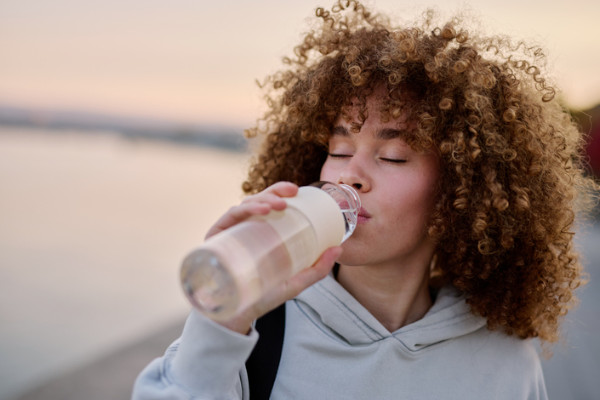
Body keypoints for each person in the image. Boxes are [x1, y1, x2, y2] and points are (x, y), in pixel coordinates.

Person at [132, 1, 597, 399]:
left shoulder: (506, 363)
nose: (350, 174)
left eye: (393, 156)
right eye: (338, 150)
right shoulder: (256, 333)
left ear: (460, 190)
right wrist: (221, 324)